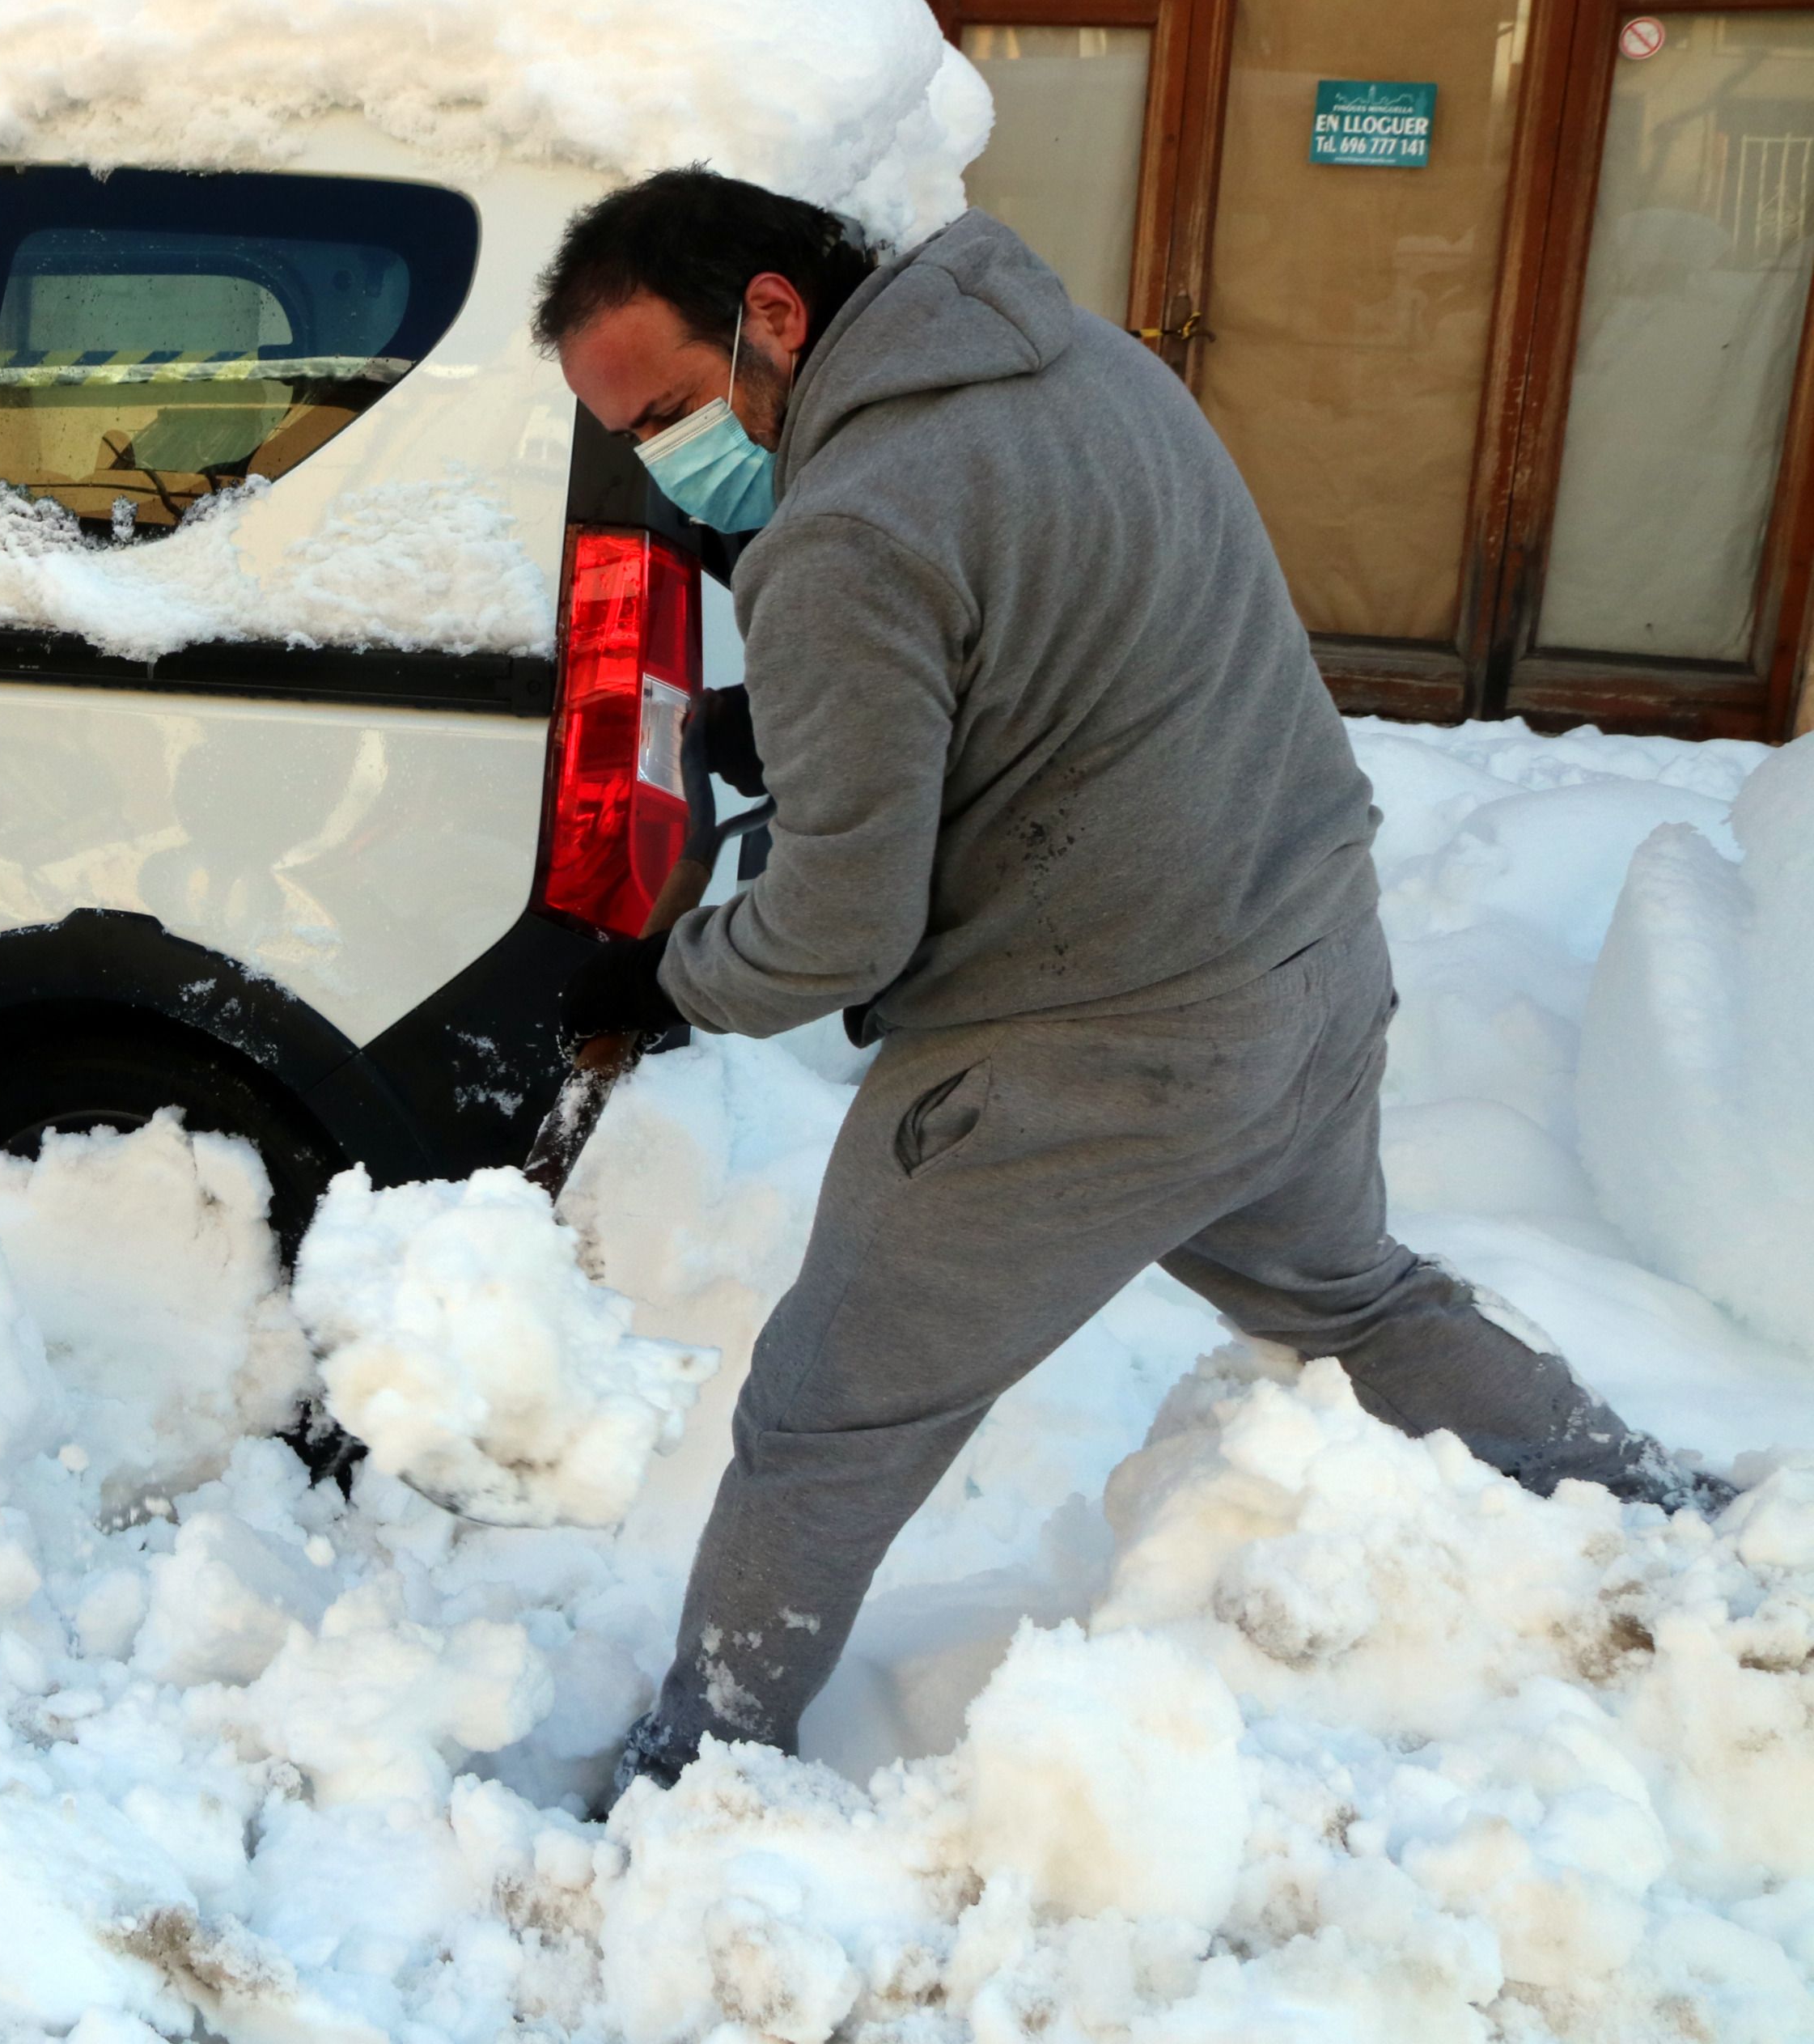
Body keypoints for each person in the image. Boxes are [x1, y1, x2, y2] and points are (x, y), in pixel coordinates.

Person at [536, 169, 1716, 1798]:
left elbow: (833, 935)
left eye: (669, 406)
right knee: (1356, 1290)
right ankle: (1667, 1504)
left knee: (824, 1421)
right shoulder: (1083, 362)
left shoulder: (844, 530)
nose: (668, 455)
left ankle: (699, 1767)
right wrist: (787, 728)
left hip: (1086, 1050)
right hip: (1303, 959)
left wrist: (671, 975)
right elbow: (1049, 651)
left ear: (775, 314)